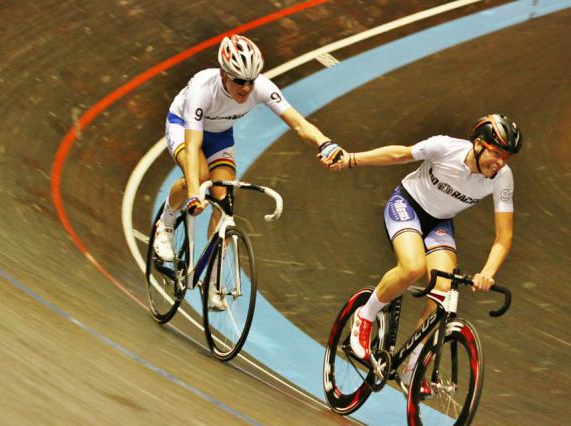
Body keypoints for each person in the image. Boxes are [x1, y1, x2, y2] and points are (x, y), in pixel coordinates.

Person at [323, 114, 521, 389]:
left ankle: (413, 369)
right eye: (497, 153)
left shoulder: (503, 178)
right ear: (478, 144)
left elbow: (504, 236)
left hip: (439, 222)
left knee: (444, 292)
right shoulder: (446, 147)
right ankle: (365, 316)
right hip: (407, 205)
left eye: (506, 157)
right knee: (413, 267)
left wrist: (488, 273)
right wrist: (352, 159)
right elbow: (399, 154)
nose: (500, 162)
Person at [154, 34, 342, 307]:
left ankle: (214, 279)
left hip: (219, 135)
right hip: (183, 127)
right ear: (223, 74)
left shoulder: (261, 87)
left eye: (251, 81)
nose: (246, 88)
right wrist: (195, 193)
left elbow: (299, 124)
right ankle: (166, 223)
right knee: (202, 178)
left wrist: (325, 142)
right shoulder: (202, 89)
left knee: (224, 198)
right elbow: (193, 146)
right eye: (239, 81)